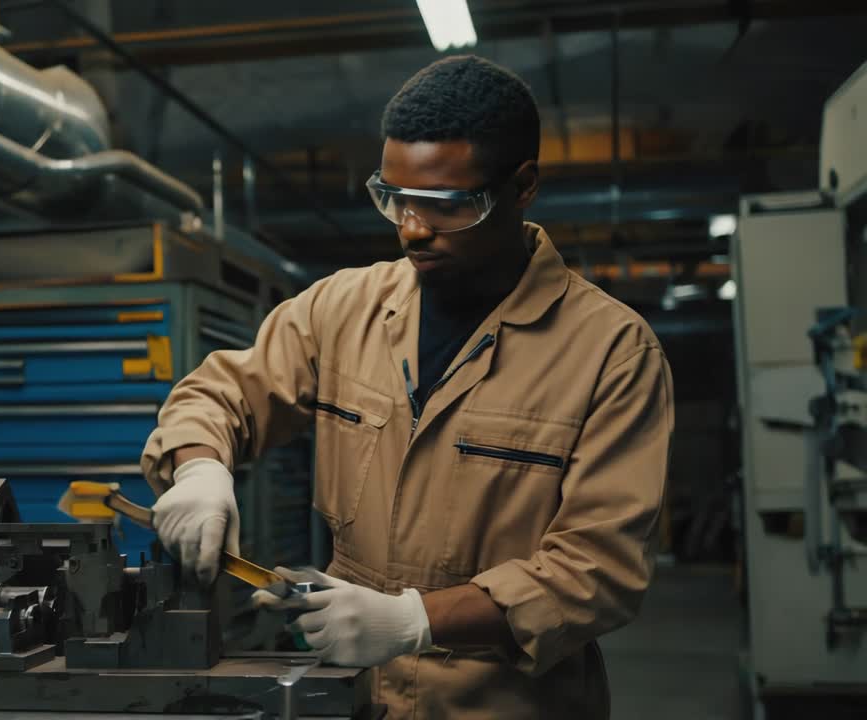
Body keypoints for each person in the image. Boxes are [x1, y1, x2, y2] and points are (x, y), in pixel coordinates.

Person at [141, 55, 673, 719]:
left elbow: (599, 570)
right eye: (394, 198)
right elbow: (220, 394)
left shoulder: (611, 353)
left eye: (445, 205)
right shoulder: (343, 309)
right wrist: (198, 472)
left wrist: (413, 620)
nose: (412, 229)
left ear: (523, 186)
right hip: (353, 698)